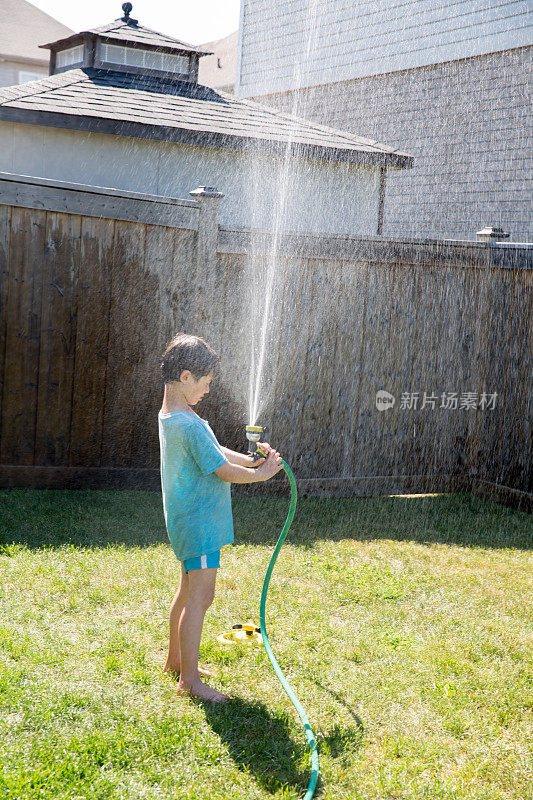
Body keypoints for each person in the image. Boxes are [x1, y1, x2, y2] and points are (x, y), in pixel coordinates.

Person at [158, 333, 283, 702]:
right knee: (201, 596)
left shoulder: (174, 416)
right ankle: (190, 682)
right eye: (206, 382)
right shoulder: (189, 424)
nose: (208, 390)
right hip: (199, 524)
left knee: (186, 592)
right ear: (185, 377)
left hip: (185, 520)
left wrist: (250, 459)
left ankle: (176, 662)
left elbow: (214, 451)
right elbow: (220, 469)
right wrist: (260, 475)